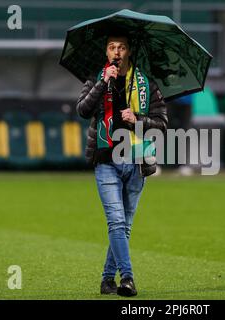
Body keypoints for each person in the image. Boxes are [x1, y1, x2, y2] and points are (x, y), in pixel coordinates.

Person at [76, 33, 168, 297]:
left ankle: (107, 279)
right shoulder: (97, 79)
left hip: (138, 159)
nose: (116, 51)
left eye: (122, 47)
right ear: (107, 53)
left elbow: (162, 125)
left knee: (124, 225)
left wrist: (137, 118)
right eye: (112, 47)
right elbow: (82, 110)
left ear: (129, 52)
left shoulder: (147, 84)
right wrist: (102, 84)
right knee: (116, 221)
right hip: (106, 159)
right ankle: (127, 278)